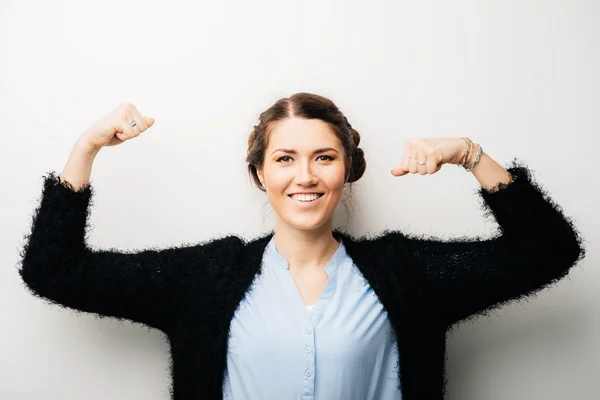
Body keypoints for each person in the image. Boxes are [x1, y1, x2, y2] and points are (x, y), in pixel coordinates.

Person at [18, 93, 585, 400]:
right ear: (261, 173)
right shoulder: (204, 278)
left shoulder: (408, 273)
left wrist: (468, 153)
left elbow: (548, 251)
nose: (305, 176)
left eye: (324, 157)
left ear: (347, 170)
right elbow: (54, 270)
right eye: (285, 158)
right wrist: (86, 146)